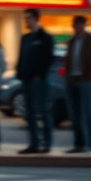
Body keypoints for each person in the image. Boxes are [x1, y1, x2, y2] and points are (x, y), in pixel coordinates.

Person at [16, 8, 55, 154]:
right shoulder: (25, 38)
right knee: (30, 113)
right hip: (26, 79)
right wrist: (20, 73)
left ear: (35, 19)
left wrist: (40, 74)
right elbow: (22, 57)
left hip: (38, 80)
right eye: (25, 18)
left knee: (43, 111)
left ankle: (46, 143)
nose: (26, 21)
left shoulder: (45, 38)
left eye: (28, 18)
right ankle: (34, 143)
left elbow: (48, 58)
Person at [63, 15, 91, 153]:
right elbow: (68, 60)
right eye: (75, 25)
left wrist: (89, 75)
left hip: (85, 79)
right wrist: (67, 76)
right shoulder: (72, 41)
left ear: (83, 25)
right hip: (72, 79)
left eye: (79, 24)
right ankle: (79, 143)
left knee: (88, 111)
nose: (76, 27)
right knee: (75, 113)